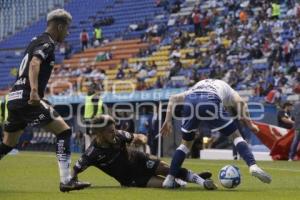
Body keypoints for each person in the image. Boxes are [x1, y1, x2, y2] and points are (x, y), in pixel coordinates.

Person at [0, 9, 90, 192]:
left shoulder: (35, 40)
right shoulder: (47, 43)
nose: (68, 33)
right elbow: (34, 64)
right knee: (64, 131)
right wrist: (34, 92)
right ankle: (66, 180)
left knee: (8, 144)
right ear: (59, 26)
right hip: (27, 99)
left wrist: (38, 94)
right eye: (67, 29)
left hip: (15, 98)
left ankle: (67, 179)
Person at [160, 79, 272, 188]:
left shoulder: (196, 87)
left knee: (185, 145)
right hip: (211, 100)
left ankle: (169, 179)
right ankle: (253, 166)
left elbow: (173, 98)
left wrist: (168, 120)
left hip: (191, 102)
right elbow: (241, 103)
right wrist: (250, 124)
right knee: (236, 136)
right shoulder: (227, 89)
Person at [71, 115, 217, 189]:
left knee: (167, 169)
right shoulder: (92, 153)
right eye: (110, 132)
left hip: (139, 159)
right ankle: (183, 179)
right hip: (130, 178)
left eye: (114, 129)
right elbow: (75, 169)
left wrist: (142, 139)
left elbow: (139, 136)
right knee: (168, 185)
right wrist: (73, 180)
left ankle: (201, 181)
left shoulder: (119, 135)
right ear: (99, 133)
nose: (114, 133)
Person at [83, 83, 103, 150]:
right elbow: (87, 108)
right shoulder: (88, 96)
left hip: (92, 118)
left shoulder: (95, 96)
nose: (89, 89)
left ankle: (94, 148)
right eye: (89, 87)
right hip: (88, 118)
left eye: (91, 87)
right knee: (88, 134)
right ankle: (90, 149)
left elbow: (96, 107)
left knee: (93, 134)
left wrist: (93, 117)